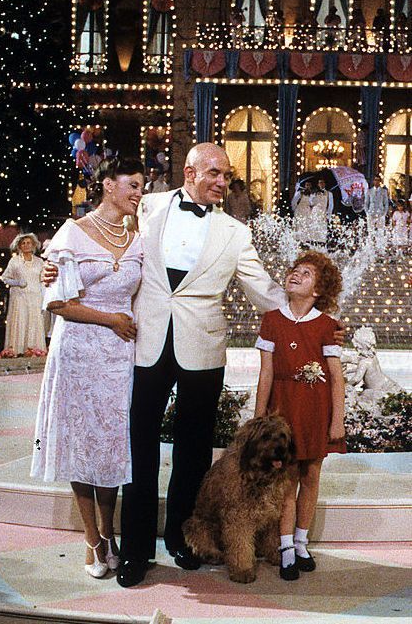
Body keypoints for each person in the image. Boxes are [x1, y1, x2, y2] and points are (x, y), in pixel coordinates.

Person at [43, 143, 344, 588]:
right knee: (138, 446)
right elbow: (99, 229)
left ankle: (183, 538)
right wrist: (55, 262)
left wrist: (318, 320)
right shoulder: (147, 205)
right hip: (144, 342)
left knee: (192, 449)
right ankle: (137, 550)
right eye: (216, 174)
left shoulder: (235, 232)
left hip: (202, 347)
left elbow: (263, 288)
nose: (224, 182)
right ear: (189, 171)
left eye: (227, 176)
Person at [31, 158, 144, 578]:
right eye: (131, 184)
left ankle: (110, 533)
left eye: (141, 186)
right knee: (82, 444)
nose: (137, 192)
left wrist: (125, 325)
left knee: (112, 444)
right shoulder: (71, 234)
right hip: (78, 348)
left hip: (119, 358)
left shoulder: (137, 238)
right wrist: (111, 320)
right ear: (108, 186)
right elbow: (59, 303)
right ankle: (91, 540)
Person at [254, 250, 346, 581]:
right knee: (286, 478)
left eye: (306, 274)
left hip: (315, 411)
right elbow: (265, 374)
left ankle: (302, 541)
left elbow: (336, 377)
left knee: (311, 477)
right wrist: (259, 417)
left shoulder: (328, 326)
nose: (296, 274)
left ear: (319, 290)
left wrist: (338, 420)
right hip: (282, 410)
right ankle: (285, 549)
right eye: (295, 269)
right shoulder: (271, 320)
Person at [1, 233, 46, 355]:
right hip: (19, 297)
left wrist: (44, 298)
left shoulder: (40, 261)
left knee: (34, 322)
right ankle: (16, 350)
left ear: (33, 245)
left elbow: (43, 280)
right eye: (23, 243)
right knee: (20, 321)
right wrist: (16, 282)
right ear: (19, 246)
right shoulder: (14, 261)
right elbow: (4, 278)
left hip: (35, 297)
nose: (26, 245)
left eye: (28, 243)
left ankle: (34, 350)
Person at [364, 175, 389, 248]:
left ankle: (380, 247)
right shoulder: (369, 191)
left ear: (380, 181)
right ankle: (370, 246)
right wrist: (367, 213)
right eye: (375, 180)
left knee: (380, 231)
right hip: (371, 213)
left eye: (378, 180)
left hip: (380, 213)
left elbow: (386, 203)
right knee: (370, 231)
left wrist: (384, 214)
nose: (376, 181)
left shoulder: (384, 191)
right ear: (373, 181)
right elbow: (366, 203)